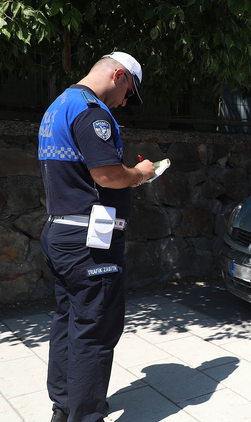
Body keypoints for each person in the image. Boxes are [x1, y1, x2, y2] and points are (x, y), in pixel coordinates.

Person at [38, 52, 155, 422]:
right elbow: (106, 175)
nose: (124, 102)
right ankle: (85, 416)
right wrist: (139, 173)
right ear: (118, 74)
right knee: (96, 329)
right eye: (128, 93)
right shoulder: (92, 112)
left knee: (68, 319)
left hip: (61, 231)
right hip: (89, 241)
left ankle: (65, 405)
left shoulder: (59, 105)